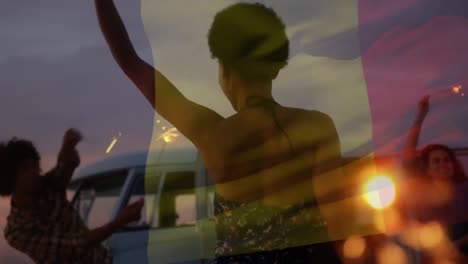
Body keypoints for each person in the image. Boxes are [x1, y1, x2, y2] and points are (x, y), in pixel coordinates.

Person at [95, 1, 352, 263]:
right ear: (274, 67)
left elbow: (129, 60)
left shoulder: (213, 134)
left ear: (225, 69)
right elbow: (338, 218)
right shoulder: (318, 127)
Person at [1, 128, 144, 263]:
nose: (35, 172)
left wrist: (67, 147)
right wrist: (119, 222)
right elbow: (75, 245)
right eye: (25, 169)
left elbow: (65, 167)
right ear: (9, 178)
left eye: (35, 166)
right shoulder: (16, 232)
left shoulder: (46, 187)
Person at [401, 95, 468, 260]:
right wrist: (421, 115)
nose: (443, 164)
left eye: (446, 159)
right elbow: (409, 152)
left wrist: (456, 247)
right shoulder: (420, 191)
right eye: (436, 161)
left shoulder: (465, 187)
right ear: (427, 168)